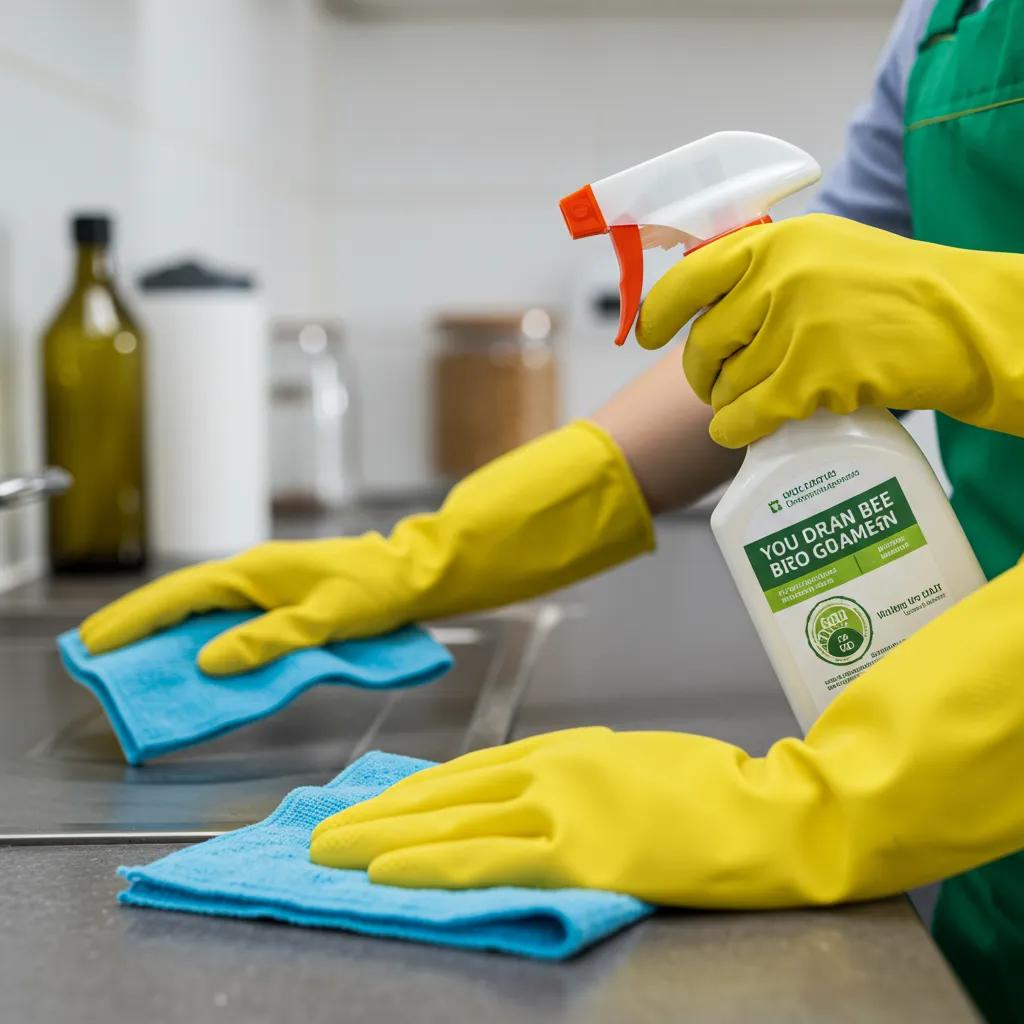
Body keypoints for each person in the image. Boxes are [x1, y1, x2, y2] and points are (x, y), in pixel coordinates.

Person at [82, 0, 1024, 1017]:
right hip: (969, 783)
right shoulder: (938, 21)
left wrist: (828, 798)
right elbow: (782, 336)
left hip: (955, 749)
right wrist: (435, 551)